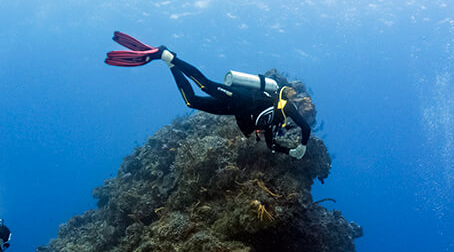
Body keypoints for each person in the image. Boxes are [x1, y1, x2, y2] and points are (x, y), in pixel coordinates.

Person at [104, 31, 311, 159]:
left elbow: (271, 145)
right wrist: (303, 144)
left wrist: (291, 151)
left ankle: (168, 62)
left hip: (233, 108)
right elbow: (305, 127)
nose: (283, 130)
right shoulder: (285, 107)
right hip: (241, 98)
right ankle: (167, 55)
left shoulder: (271, 128)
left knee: (191, 102)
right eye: (286, 128)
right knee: (206, 85)